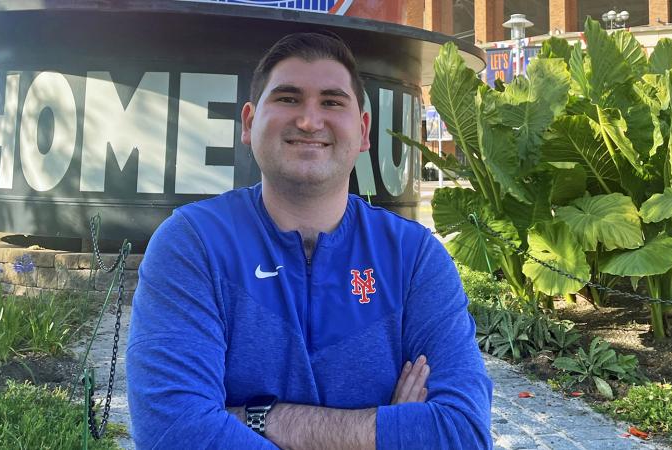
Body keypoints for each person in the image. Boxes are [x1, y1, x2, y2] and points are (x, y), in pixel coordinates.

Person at [126, 32, 493, 449]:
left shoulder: (414, 258)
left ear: (363, 130)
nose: (309, 121)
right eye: (287, 98)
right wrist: (392, 429)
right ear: (249, 122)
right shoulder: (193, 245)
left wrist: (257, 418)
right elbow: (175, 434)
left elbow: (462, 433)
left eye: (332, 102)